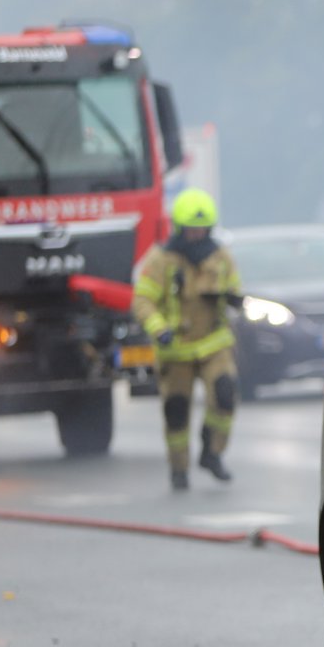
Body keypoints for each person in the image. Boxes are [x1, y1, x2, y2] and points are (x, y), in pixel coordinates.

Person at [132, 188, 242, 490]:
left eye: (202, 229)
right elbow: (143, 300)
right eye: (191, 230)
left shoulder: (221, 257)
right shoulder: (161, 259)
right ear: (179, 229)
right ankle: (179, 469)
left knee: (224, 394)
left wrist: (234, 299)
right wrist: (159, 329)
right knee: (176, 410)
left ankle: (212, 452)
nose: (197, 235)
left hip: (213, 343)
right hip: (175, 349)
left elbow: (234, 289)